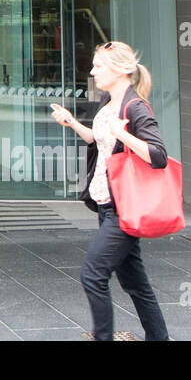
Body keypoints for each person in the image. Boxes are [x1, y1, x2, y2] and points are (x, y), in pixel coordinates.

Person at [50, 41, 170, 341]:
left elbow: (158, 155)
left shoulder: (135, 106)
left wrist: (123, 134)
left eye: (99, 66)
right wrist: (73, 123)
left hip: (123, 208)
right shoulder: (108, 101)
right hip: (107, 205)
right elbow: (99, 141)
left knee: (92, 273)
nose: (93, 71)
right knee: (135, 283)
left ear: (118, 70)